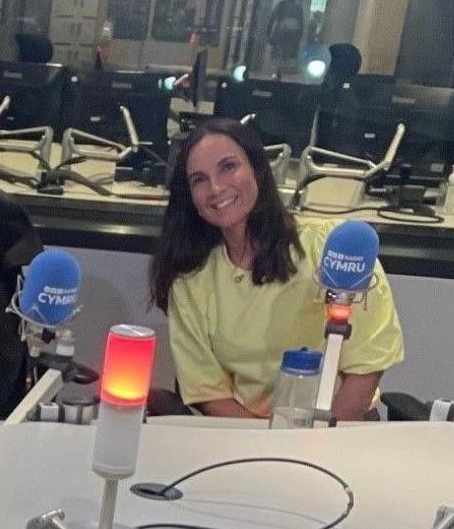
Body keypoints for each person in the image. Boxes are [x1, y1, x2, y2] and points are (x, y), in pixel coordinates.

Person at [149, 116, 404, 421]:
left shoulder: (331, 248)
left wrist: (316, 446)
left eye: (228, 167)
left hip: (340, 428)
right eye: (199, 179)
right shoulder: (191, 278)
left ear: (258, 169)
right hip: (245, 434)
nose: (215, 187)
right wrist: (269, 448)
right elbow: (209, 393)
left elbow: (367, 365)